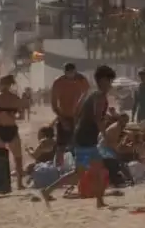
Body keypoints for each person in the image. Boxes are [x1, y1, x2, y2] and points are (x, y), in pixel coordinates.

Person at [41, 65, 115, 209]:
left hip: (81, 136)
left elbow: (76, 111)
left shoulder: (88, 92)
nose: (110, 85)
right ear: (103, 80)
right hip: (87, 138)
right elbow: (98, 118)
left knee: (79, 173)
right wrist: (106, 136)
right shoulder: (99, 96)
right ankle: (99, 202)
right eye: (109, 81)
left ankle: (48, 190)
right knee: (98, 169)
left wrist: (79, 126)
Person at [0, 74, 27, 190]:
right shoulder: (11, 98)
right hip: (7, 129)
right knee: (16, 158)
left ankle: (7, 183)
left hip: (2, 129)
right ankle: (17, 183)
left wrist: (0, 115)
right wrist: (9, 115)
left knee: (7, 158)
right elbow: (21, 116)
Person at [50, 63, 90, 166]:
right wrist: (62, 120)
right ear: (65, 72)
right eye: (69, 73)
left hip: (78, 117)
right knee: (61, 146)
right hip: (64, 116)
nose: (71, 75)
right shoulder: (58, 82)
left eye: (73, 72)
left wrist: (80, 109)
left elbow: (86, 94)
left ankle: (80, 169)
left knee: (80, 145)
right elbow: (54, 104)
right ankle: (59, 170)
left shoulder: (81, 80)